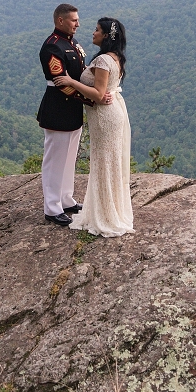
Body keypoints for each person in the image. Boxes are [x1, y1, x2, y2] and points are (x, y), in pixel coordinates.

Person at [52, 17, 134, 237]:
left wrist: (71, 81)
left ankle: (106, 215)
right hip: (110, 114)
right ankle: (110, 211)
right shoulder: (115, 58)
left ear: (106, 36)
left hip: (105, 117)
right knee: (109, 164)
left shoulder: (104, 61)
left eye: (97, 30)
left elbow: (98, 95)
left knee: (103, 163)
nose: (92, 33)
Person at [36, 4, 106, 226]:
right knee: (55, 161)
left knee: (69, 159)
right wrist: (91, 99)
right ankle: (52, 207)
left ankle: (66, 199)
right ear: (60, 21)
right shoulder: (52, 47)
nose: (78, 24)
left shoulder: (72, 43)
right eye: (74, 20)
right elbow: (61, 84)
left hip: (72, 110)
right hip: (58, 108)